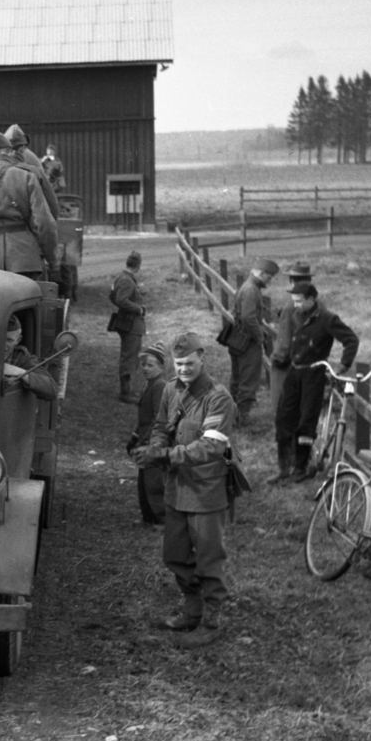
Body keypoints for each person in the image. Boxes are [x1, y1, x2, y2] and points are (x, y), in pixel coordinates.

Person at [135, 332, 236, 648]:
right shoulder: (170, 390)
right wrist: (155, 446)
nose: (183, 369)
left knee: (209, 558)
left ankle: (212, 621)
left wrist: (164, 456)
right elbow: (160, 427)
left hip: (206, 491)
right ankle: (192, 610)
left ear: (202, 358)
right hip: (177, 488)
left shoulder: (218, 398)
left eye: (189, 363)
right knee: (175, 554)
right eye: (178, 364)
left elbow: (210, 447)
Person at [272, 283, 360, 484]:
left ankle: (300, 468)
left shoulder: (327, 319)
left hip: (313, 375)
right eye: (294, 301)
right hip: (294, 372)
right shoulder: (298, 316)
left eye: (299, 301)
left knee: (306, 422)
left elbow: (351, 340)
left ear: (311, 300)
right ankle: (283, 469)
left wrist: (343, 366)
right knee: (283, 418)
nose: (295, 305)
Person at [0, 132, 57, 279]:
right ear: (11, 152)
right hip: (24, 257)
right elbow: (44, 222)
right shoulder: (27, 177)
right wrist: (52, 259)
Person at [229, 258, 279, 429]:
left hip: (238, 338)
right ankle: (242, 418)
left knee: (237, 379)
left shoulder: (248, 287)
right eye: (268, 277)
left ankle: (233, 416)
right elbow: (248, 317)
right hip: (248, 341)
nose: (269, 281)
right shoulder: (251, 290)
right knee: (248, 380)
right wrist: (260, 336)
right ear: (262, 274)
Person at [127, 340, 169, 524]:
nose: (145, 368)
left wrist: (145, 440)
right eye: (143, 364)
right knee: (144, 479)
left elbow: (158, 417)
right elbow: (144, 418)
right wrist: (134, 437)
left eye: (150, 365)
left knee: (154, 481)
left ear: (160, 367)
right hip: (145, 438)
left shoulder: (159, 385)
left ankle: (161, 519)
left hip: (154, 441)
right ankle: (148, 517)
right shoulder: (149, 384)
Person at [269, 261, 313, 419]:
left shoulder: (290, 307)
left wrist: (277, 359)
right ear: (310, 280)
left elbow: (285, 343)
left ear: (291, 281)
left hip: (291, 364)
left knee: (284, 408)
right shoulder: (316, 302)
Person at [110, 251, 147, 403]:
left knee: (130, 355)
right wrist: (138, 309)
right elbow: (121, 300)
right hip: (131, 324)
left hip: (128, 322)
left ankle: (127, 389)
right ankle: (125, 393)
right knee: (129, 357)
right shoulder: (127, 280)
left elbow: (113, 296)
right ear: (138, 266)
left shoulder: (122, 277)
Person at [2, 314, 58, 400]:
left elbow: (52, 389)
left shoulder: (21, 357)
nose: (3, 346)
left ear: (18, 340)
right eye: (0, 339)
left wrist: (20, 372)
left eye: (9, 340)